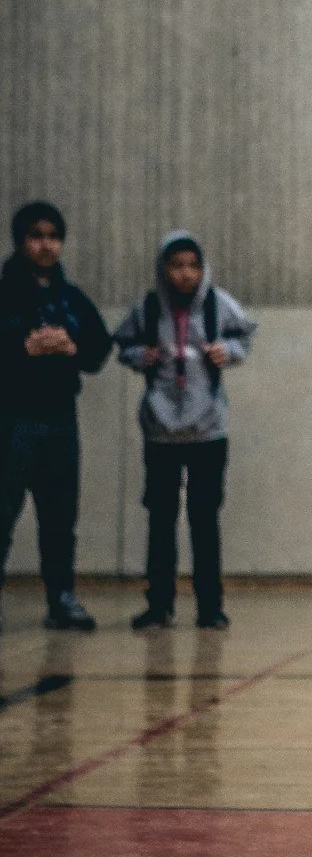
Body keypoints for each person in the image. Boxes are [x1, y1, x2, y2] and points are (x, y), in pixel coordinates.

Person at [113, 232, 255, 633]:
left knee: (204, 519)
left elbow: (244, 335)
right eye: (176, 265)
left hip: (208, 430)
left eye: (193, 265)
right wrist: (142, 356)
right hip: (160, 431)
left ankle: (210, 607)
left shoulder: (217, 304)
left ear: (203, 268)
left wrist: (228, 353)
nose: (185, 274)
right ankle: (159, 606)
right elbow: (122, 344)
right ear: (163, 269)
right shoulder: (147, 308)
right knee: (160, 519)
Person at [0, 200, 110, 632]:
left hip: (60, 419)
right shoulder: (4, 292)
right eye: (37, 236)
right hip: (12, 418)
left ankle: (61, 598)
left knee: (60, 514)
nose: (46, 245)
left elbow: (101, 349)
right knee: (3, 512)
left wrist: (73, 348)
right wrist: (20, 349)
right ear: (20, 240)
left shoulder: (72, 297)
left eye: (53, 236)